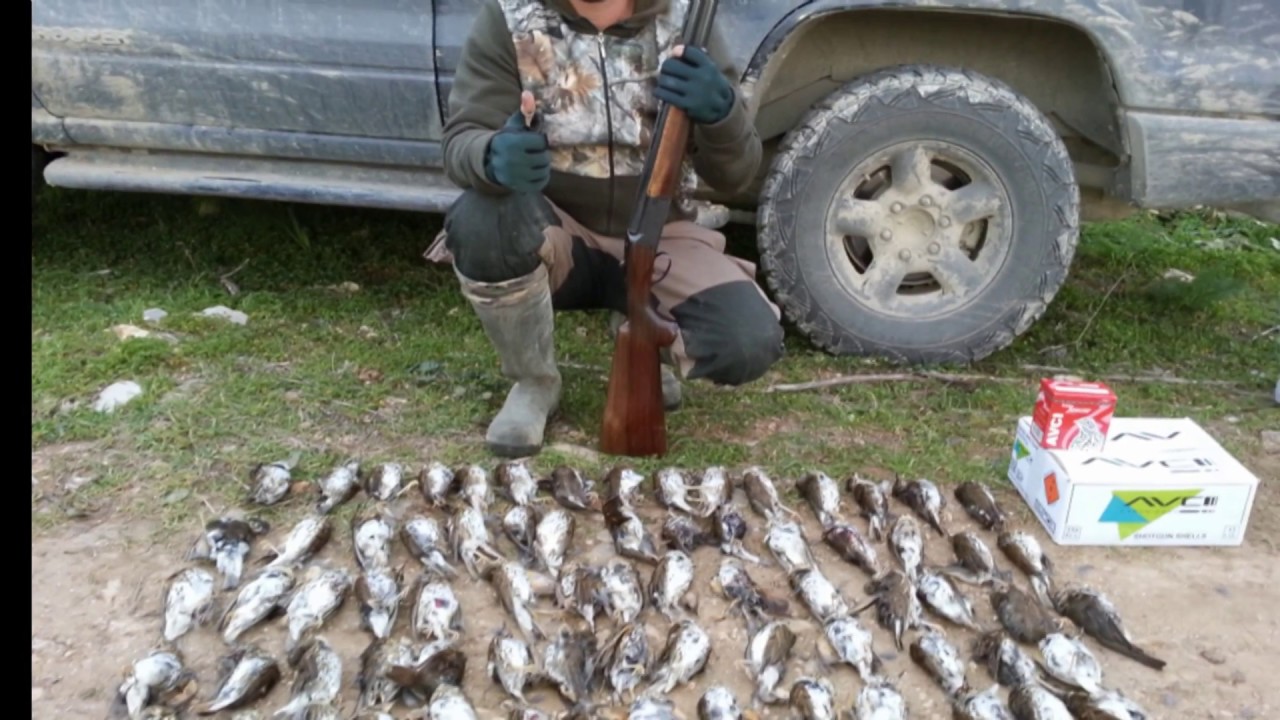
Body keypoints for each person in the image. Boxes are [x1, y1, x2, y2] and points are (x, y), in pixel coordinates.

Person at [423, 0, 786, 457]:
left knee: (747, 343)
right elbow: (461, 138)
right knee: (480, 219)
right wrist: (493, 156)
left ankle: (643, 339)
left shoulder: (688, 21)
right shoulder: (510, 18)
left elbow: (738, 172)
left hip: (663, 233)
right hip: (557, 231)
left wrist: (722, 114)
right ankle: (534, 381)